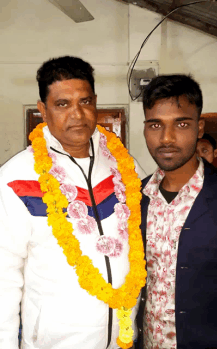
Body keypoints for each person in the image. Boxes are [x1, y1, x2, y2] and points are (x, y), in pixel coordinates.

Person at [0, 56, 147, 349]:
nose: (77, 115)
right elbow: (4, 278)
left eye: (85, 101)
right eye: (62, 104)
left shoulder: (124, 165)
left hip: (124, 337)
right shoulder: (15, 178)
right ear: (43, 110)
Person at [140, 74, 217, 349]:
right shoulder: (135, 198)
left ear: (199, 129)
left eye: (181, 124)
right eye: (155, 125)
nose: (167, 138)